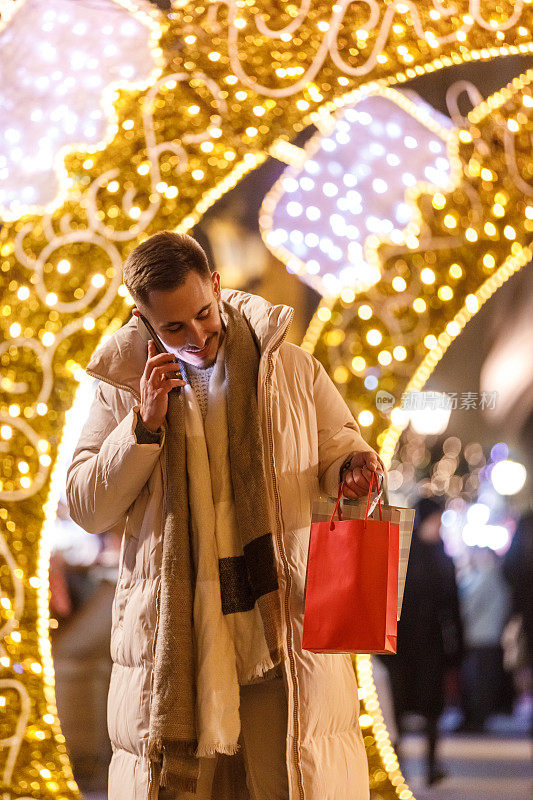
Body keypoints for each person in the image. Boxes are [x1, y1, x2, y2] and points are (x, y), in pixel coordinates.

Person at [65, 230, 386, 800]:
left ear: (215, 286)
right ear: (142, 319)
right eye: (173, 328)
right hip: (178, 642)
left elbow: (341, 453)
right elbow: (87, 506)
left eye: (203, 314)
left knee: (287, 784)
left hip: (277, 631)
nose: (197, 336)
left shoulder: (290, 368)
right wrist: (140, 426)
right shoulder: (120, 385)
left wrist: (354, 469)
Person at [379, 496, 463, 786]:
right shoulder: (401, 557)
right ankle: (396, 766)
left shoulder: (442, 557)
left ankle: (431, 765)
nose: (439, 527)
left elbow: (453, 606)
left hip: (431, 645)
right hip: (401, 646)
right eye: (436, 521)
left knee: (432, 707)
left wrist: (456, 646)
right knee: (398, 706)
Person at [458, 546, 512, 732]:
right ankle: (477, 718)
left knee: (477, 681)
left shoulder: (486, 576)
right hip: (487, 636)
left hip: (481, 637)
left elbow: (468, 604)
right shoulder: (494, 576)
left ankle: (476, 720)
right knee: (481, 680)